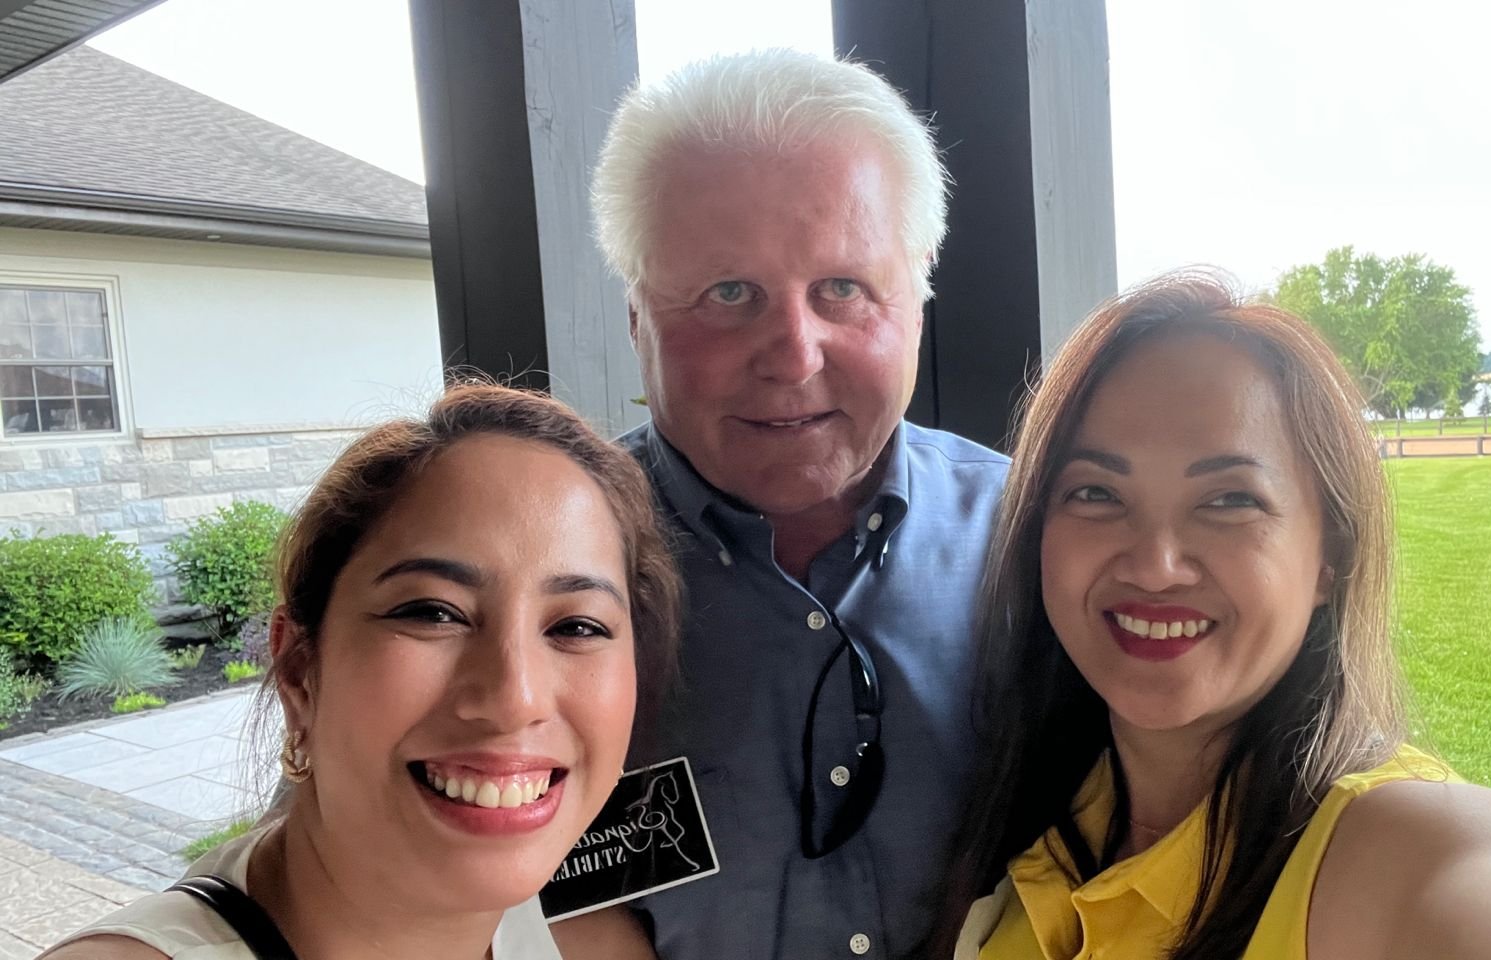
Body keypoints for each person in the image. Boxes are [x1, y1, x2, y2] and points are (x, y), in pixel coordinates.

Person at [943, 275, 1491, 959]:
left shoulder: (1384, 854)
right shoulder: (1040, 812)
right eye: (1096, 493)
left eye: (1229, 500)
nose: (1155, 564)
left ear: (1328, 557)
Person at [553, 48, 1009, 960]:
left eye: (843, 288)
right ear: (637, 315)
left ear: (919, 294)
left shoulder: (1036, 540)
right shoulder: (541, 566)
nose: (795, 354)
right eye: (729, 294)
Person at [43, 383, 682, 960]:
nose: (515, 698)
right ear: (299, 669)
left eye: (577, 627)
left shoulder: (590, 938)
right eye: (433, 613)